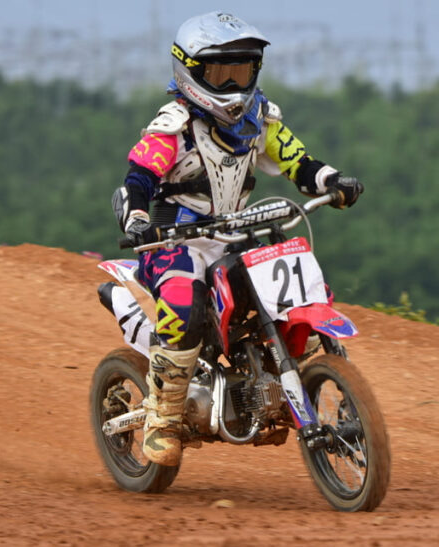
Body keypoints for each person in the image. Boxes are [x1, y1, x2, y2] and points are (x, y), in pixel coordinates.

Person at [113, 11, 364, 466]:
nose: (233, 85)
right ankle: (164, 418)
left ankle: (298, 380)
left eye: (242, 71)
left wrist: (332, 181)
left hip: (232, 233)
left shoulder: (260, 121)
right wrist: (134, 218)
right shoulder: (174, 127)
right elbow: (139, 179)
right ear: (190, 72)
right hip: (175, 241)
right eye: (220, 73)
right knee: (183, 304)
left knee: (295, 286)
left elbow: (298, 162)